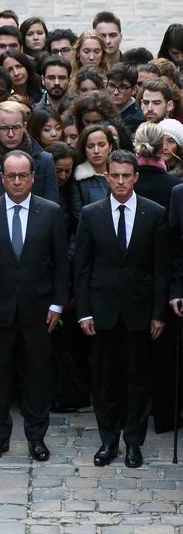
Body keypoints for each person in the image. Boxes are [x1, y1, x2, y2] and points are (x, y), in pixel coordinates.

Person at [0, 150, 68, 461]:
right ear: (2, 178)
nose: (18, 181)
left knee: (38, 376)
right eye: (12, 176)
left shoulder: (50, 211)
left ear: (34, 177)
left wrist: (58, 305)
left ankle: (37, 437)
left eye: (24, 175)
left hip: (38, 307)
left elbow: (61, 263)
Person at [74, 150, 169, 468]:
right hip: (102, 312)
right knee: (104, 379)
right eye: (115, 175)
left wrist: (158, 313)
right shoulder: (91, 213)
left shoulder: (154, 213)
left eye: (126, 175)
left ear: (136, 177)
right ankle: (108, 440)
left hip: (139, 312)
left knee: (137, 379)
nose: (120, 181)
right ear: (106, 177)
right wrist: (84, 311)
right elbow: (82, 268)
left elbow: (160, 269)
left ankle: (133, 442)